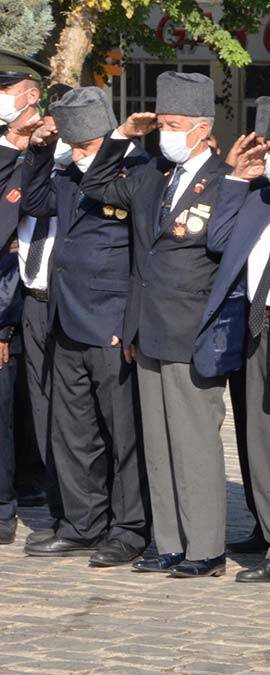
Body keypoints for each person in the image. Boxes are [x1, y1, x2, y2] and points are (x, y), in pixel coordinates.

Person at [79, 72, 231, 577]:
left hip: (191, 328)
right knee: (159, 445)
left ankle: (205, 547)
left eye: (175, 124)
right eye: (162, 123)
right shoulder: (153, 174)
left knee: (194, 442)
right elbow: (97, 185)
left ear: (202, 128)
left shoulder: (225, 179)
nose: (166, 132)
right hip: (146, 328)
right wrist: (123, 136)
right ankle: (168, 541)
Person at [19, 87, 151, 567]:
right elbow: (33, 202)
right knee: (73, 430)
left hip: (110, 320)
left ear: (105, 136)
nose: (77, 156)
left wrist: (129, 322)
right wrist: (38, 150)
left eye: (85, 146)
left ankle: (129, 528)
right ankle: (81, 523)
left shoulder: (137, 171)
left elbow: (141, 257)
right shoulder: (68, 172)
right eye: (71, 147)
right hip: (66, 316)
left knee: (122, 433)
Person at [194, 98, 270, 583]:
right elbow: (220, 240)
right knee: (262, 441)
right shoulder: (261, 194)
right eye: (268, 149)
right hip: (255, 326)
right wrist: (239, 181)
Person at [14, 84, 70, 543]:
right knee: (42, 404)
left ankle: (82, 508)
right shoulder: (32, 163)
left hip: (68, 303)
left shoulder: (79, 171)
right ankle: (57, 504)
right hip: (31, 301)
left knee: (75, 411)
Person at [0, 50, 48, 545]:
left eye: (6, 95)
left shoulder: (44, 152)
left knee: (32, 397)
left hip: (29, 292)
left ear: (30, 98)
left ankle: (28, 486)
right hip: (5, 292)